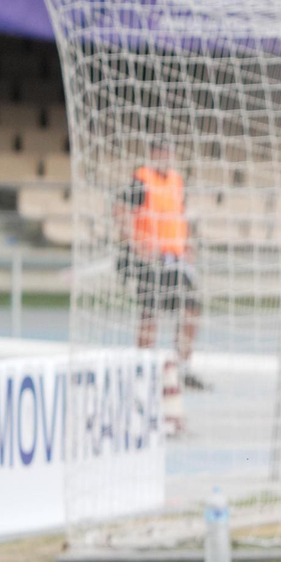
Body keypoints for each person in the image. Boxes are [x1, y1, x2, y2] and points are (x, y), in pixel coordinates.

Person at [116, 138, 202, 434]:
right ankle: (143, 367)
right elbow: (121, 209)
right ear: (153, 154)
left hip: (174, 258)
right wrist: (134, 242)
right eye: (162, 152)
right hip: (150, 260)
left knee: (192, 308)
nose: (167, 157)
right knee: (149, 313)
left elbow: (180, 217)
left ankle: (182, 364)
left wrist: (187, 245)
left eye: (170, 152)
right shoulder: (142, 180)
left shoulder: (177, 182)